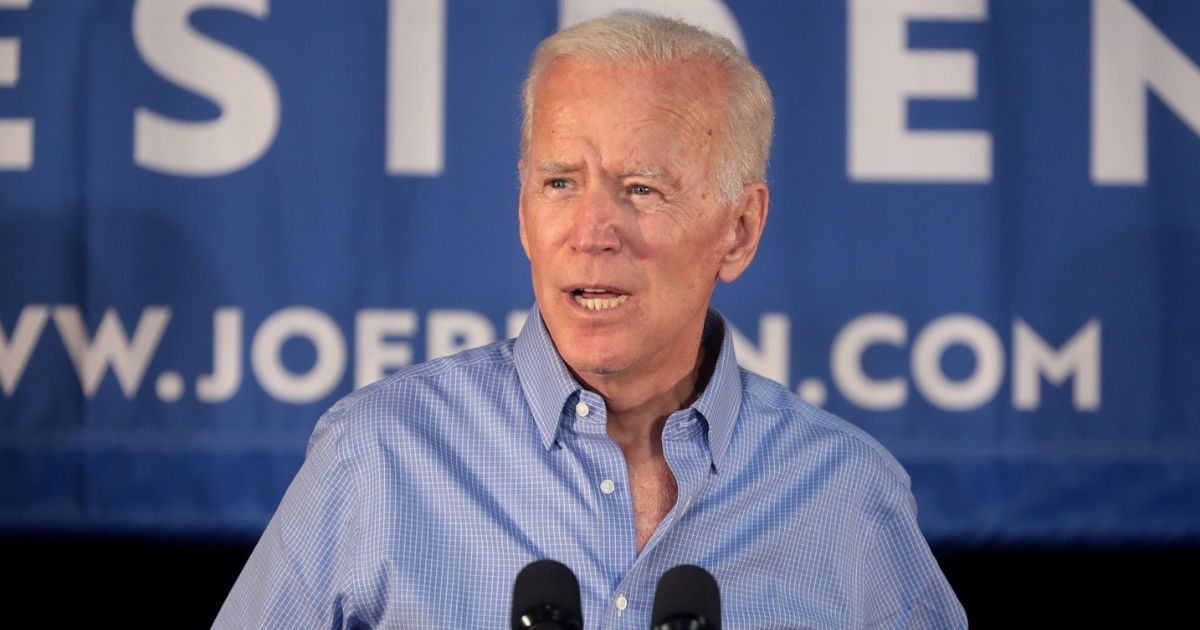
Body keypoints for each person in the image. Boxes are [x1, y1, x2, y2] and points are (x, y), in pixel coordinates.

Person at [215, 13, 967, 629]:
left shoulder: (847, 497)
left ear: (738, 230)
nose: (592, 230)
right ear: (522, 211)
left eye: (641, 188)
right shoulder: (377, 459)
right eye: (560, 182)